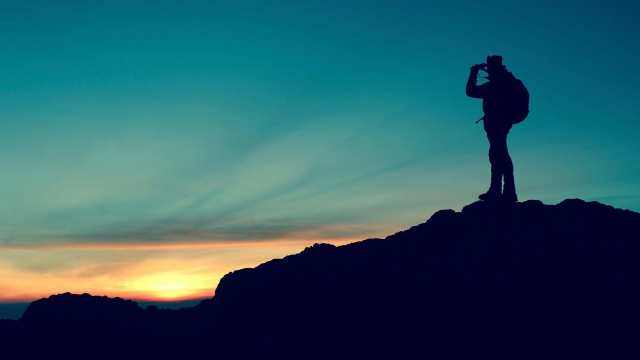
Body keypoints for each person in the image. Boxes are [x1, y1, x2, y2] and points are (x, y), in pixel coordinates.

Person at [466, 55, 522, 203]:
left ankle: (500, 191)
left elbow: (470, 91)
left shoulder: (497, 83)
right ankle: (504, 191)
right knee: (499, 154)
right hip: (501, 122)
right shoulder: (506, 81)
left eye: (489, 66)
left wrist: (473, 73)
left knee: (498, 155)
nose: (487, 69)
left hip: (497, 122)